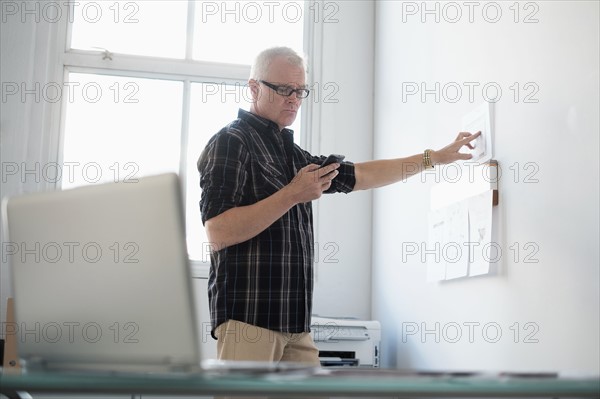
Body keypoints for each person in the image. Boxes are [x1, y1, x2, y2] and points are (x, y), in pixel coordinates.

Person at [197, 46, 480, 366]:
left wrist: (433, 158)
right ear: (254, 87)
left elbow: (361, 175)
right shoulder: (231, 141)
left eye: (300, 90)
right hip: (248, 321)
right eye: (283, 89)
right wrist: (292, 194)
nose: (294, 99)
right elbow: (218, 231)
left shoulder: (294, 155)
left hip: (296, 326)